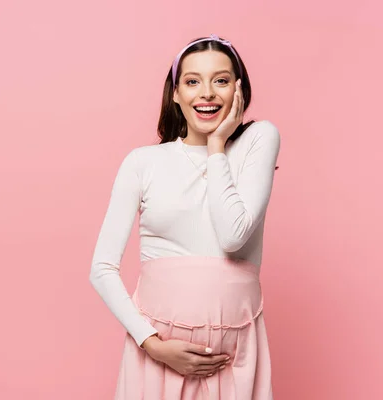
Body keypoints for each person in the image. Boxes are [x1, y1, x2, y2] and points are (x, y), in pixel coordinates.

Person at [89, 34, 280, 399]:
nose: (206, 93)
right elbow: (101, 267)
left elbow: (233, 236)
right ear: (175, 93)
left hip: (235, 361)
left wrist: (216, 146)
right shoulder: (143, 162)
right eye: (192, 82)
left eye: (220, 80)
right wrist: (153, 345)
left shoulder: (259, 139)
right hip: (157, 362)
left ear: (239, 89)